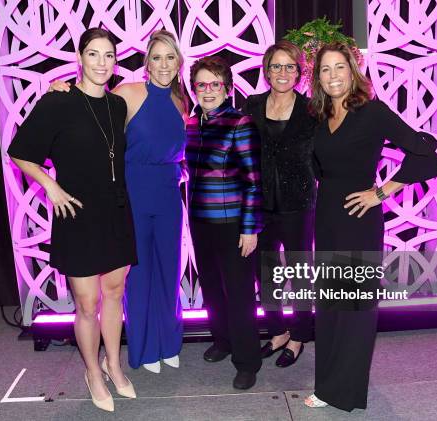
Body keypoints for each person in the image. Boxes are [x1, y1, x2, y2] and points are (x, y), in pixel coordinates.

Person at [304, 42, 437, 411]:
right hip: (328, 217)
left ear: (353, 72)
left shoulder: (373, 113)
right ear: (317, 77)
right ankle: (327, 385)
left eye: (340, 67)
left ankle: (344, 392)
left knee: (354, 308)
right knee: (332, 304)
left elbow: (425, 153)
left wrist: (381, 192)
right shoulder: (318, 116)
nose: (333, 75)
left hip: (360, 219)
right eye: (325, 69)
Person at [8, 28, 138, 412]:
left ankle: (113, 364)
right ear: (80, 58)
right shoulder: (57, 102)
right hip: (77, 213)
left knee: (115, 293)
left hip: (115, 209)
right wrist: (49, 185)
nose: (102, 62)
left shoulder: (117, 106)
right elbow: (19, 152)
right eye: (94, 54)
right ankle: (92, 372)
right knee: (87, 301)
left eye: (109, 55)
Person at [50, 30, 187, 374]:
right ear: (146, 63)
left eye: (170, 57)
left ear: (178, 62)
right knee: (136, 277)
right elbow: (92, 111)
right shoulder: (127, 94)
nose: (164, 64)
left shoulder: (181, 101)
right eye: (156, 57)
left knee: (169, 274)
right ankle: (143, 349)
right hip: (133, 196)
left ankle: (168, 342)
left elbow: (177, 150)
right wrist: (62, 87)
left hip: (170, 197)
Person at [185, 56, 263, 390]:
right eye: (201, 84)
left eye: (215, 83)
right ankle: (224, 340)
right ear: (194, 89)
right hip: (200, 222)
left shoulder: (239, 123)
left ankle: (247, 360)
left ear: (227, 88)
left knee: (240, 293)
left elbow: (254, 180)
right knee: (213, 288)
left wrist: (249, 228)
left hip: (233, 225)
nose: (208, 90)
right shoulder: (191, 124)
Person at [243, 40, 317, 368]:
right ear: (266, 71)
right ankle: (277, 331)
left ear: (299, 73)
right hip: (261, 204)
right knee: (267, 272)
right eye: (276, 66)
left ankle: (300, 334)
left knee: (300, 271)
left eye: (290, 66)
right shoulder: (252, 104)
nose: (282, 72)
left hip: (299, 202)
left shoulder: (312, 109)